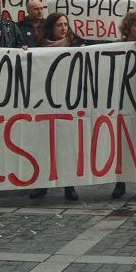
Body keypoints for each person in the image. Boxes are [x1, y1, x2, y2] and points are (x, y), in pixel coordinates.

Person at [30, 12, 81, 202]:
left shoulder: (76, 44)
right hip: (45, 102)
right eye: (60, 25)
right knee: (44, 145)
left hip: (68, 103)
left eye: (66, 24)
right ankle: (42, 185)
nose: (64, 28)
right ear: (51, 27)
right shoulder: (39, 47)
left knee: (66, 145)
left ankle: (69, 186)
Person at [111, 11, 136, 201]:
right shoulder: (117, 47)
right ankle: (120, 182)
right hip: (122, 101)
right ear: (128, 28)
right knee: (122, 143)